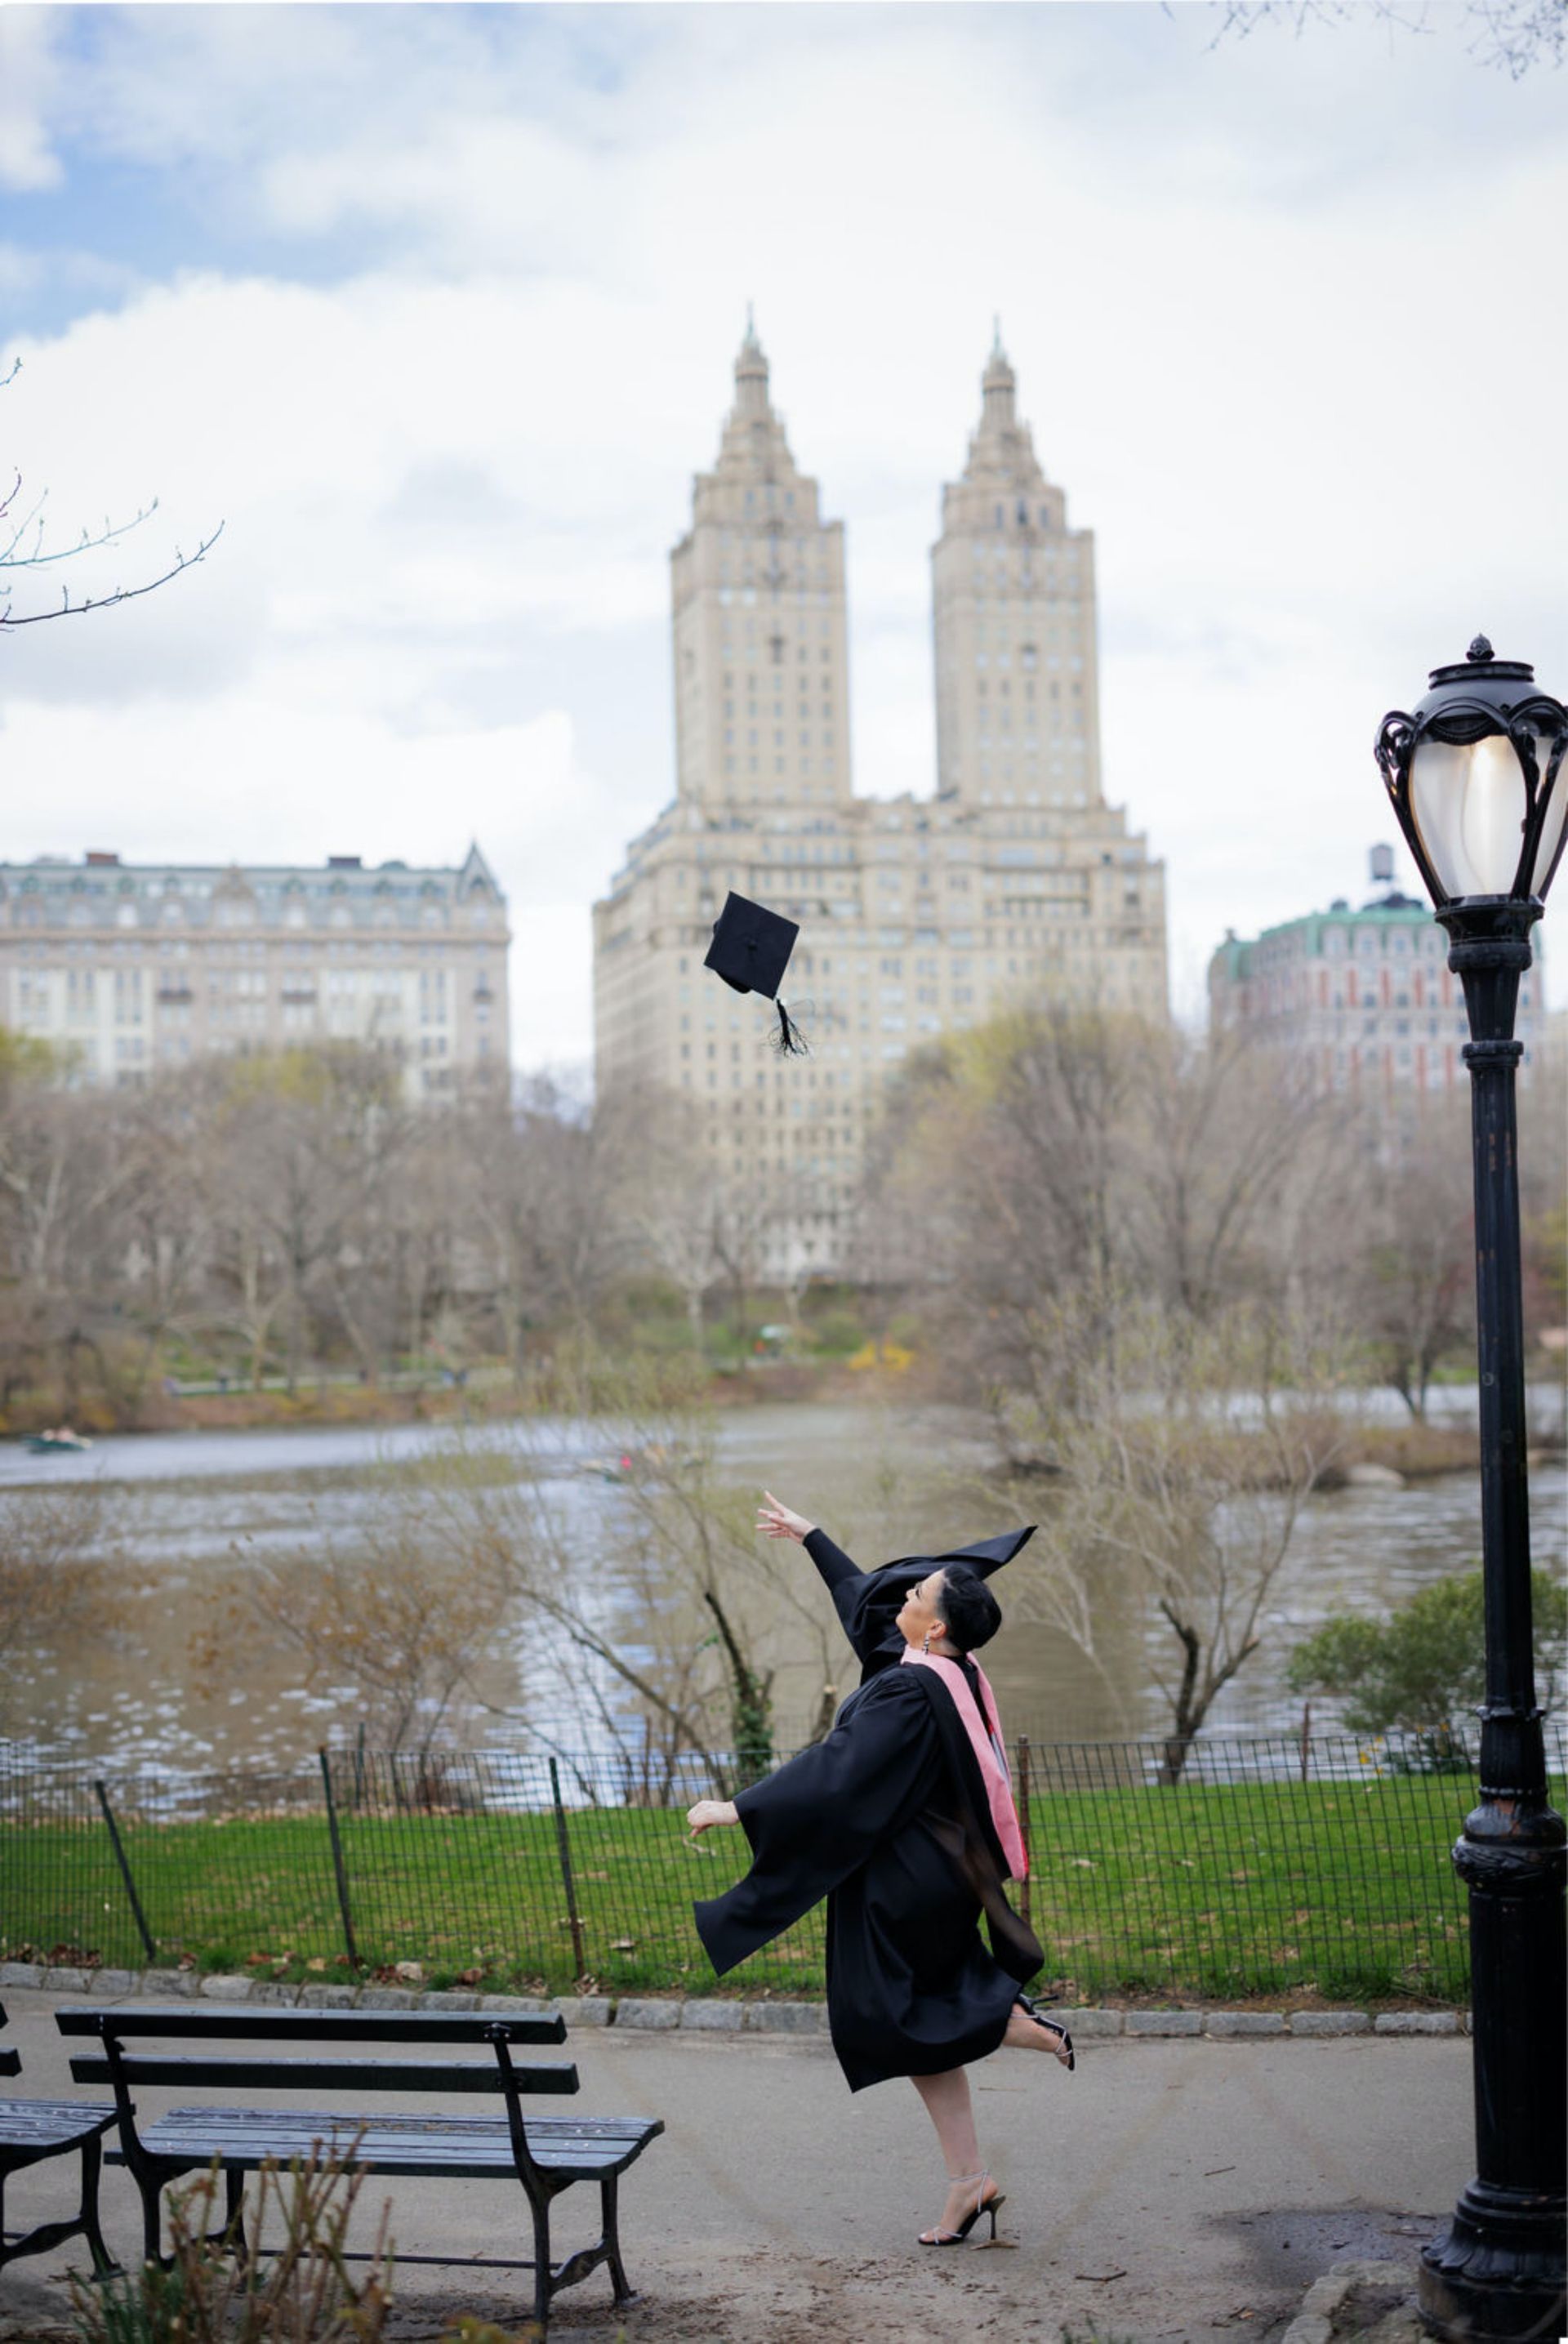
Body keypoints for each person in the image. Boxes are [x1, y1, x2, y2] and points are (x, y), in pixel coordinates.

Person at [688, 1491, 1073, 2248]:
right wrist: (812, 1537)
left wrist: (740, 1807)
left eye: (919, 1592)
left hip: (904, 1884)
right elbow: (868, 1604)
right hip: (931, 1876)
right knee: (912, 2018)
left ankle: (1005, 2020)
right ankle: (969, 2182)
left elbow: (841, 1768)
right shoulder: (941, 1669)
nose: (903, 1592)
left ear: (934, 1626)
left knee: (892, 2016)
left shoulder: (906, 1690)